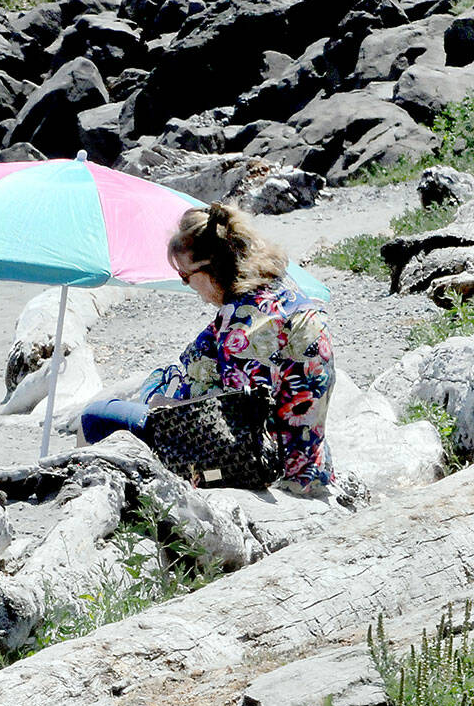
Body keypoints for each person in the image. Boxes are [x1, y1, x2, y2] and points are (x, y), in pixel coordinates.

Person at [78, 202, 335, 493]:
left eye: (186, 276)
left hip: (255, 468)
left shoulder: (245, 331)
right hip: (309, 459)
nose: (187, 285)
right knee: (150, 389)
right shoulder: (281, 292)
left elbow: (230, 426)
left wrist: (167, 407)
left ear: (215, 267)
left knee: (96, 417)